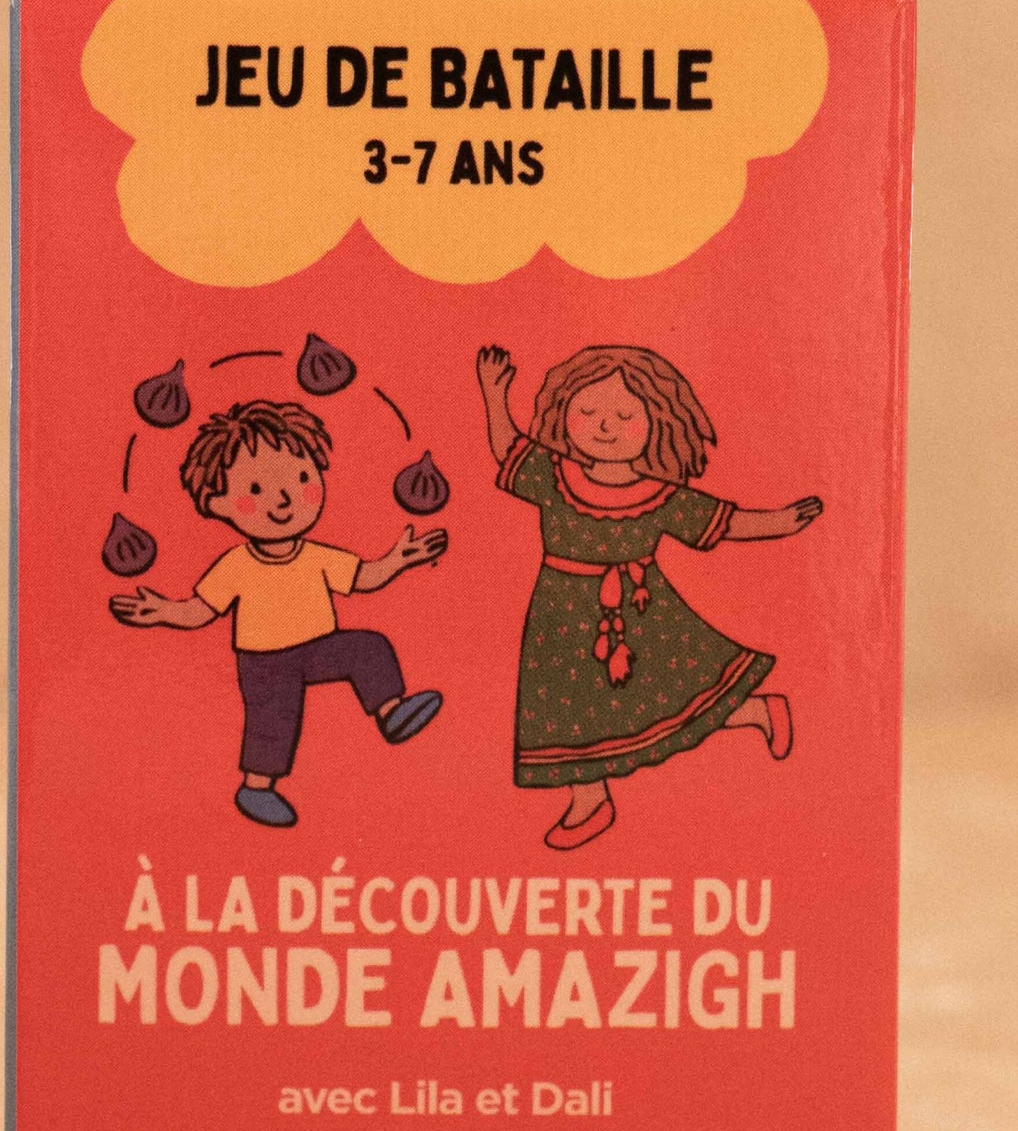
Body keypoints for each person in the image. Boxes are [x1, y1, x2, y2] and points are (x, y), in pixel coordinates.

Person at [476, 340, 821, 851]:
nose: (604, 425)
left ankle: (757, 712)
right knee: (566, 708)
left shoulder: (660, 495)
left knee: (670, 699)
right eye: (588, 412)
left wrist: (780, 522)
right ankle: (590, 798)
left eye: (624, 416)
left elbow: (722, 523)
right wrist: (493, 395)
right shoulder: (553, 476)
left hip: (643, 613)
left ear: (656, 423)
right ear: (563, 412)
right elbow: (509, 450)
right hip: (559, 612)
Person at [110, 397, 447, 827]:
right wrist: (162, 611)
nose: (284, 498)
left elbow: (362, 577)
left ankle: (391, 712)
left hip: (318, 646)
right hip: (265, 661)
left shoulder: (316, 554)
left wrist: (398, 560)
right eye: (256, 490)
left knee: (368, 648)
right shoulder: (236, 565)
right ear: (218, 503)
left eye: (302, 477)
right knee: (273, 721)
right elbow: (201, 611)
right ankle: (256, 788)